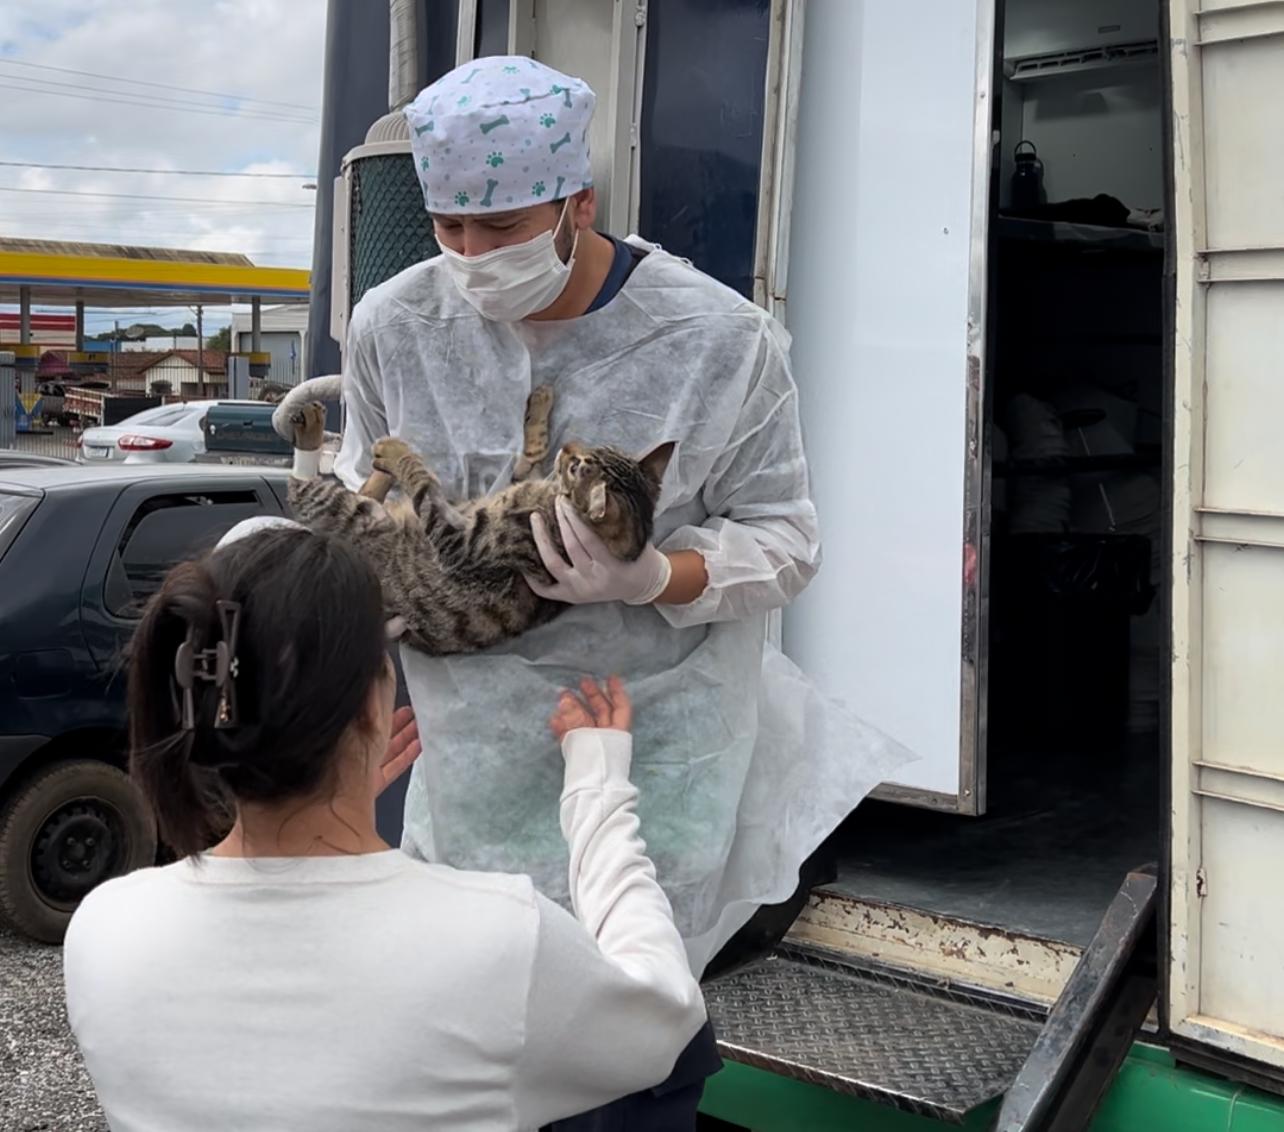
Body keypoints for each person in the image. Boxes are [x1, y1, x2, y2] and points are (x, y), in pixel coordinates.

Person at [256, 53, 911, 1128]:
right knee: (466, 1039)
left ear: (577, 204)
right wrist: (363, 606)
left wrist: (656, 575)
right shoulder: (391, 324)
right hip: (467, 757)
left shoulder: (714, 340)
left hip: (648, 745)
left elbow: (787, 540)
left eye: (501, 228)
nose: (469, 258)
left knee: (628, 1036)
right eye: (448, 228)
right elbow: (365, 479)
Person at [61, 525, 706, 1131]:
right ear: (375, 701)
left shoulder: (104, 929)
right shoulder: (495, 940)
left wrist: (319, 800)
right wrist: (597, 791)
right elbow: (664, 1020)